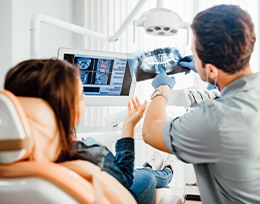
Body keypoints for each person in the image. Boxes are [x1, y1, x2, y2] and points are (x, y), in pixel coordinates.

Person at [4, 58, 174, 204]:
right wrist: (128, 126)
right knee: (146, 175)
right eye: (80, 96)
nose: (84, 99)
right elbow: (125, 179)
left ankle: (155, 167)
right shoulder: (89, 156)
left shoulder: (14, 161)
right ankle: (166, 171)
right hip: (120, 189)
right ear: (68, 108)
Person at [142, 4, 260, 204]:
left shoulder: (215, 120)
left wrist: (162, 89)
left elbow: (150, 132)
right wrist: (213, 81)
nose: (193, 58)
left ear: (212, 69)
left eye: (195, 54)